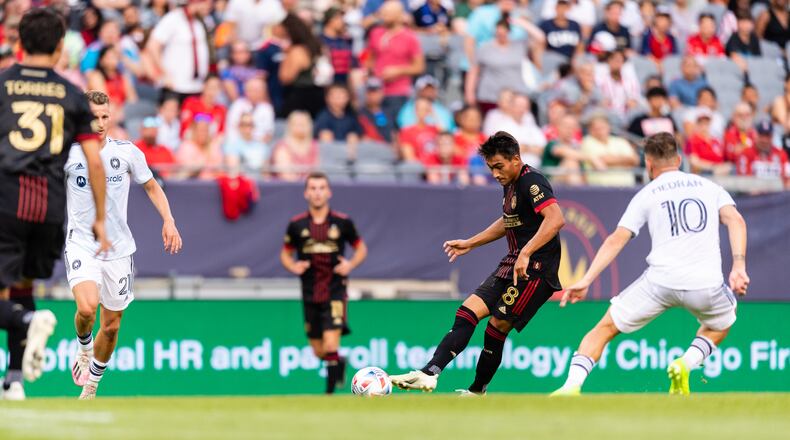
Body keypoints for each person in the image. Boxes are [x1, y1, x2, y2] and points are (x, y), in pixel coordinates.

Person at [552, 132, 748, 396]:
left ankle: (570, 386)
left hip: (660, 282)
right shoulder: (709, 187)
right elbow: (735, 220)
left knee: (603, 329)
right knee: (723, 322)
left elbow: (616, 239)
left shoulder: (647, 193)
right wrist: (738, 266)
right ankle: (685, 363)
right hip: (706, 283)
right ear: (679, 159)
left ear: (648, 163)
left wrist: (587, 279)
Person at [389, 131, 565, 394]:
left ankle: (476, 391)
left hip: (536, 270)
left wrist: (527, 252)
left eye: (499, 166)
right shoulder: (510, 183)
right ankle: (429, 373)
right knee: (466, 312)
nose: (494, 173)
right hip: (513, 263)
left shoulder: (533, 181)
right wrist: (471, 242)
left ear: (516, 159)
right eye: (491, 167)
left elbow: (556, 219)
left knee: (495, 328)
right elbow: (507, 222)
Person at [0, 7, 111, 400]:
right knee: (21, 285)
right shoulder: (70, 95)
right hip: (48, 208)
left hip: (7, 200)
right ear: (61, 46)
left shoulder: (3, 84)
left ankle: (27, 322)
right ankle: (14, 379)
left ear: (18, 43)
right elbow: (94, 159)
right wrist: (100, 218)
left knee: (11, 300)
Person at [65, 91, 182, 400]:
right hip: (81, 243)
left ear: (112, 116)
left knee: (112, 325)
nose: (100, 123)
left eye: (105, 116)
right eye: (94, 116)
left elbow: (152, 186)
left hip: (119, 249)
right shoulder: (69, 154)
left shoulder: (127, 152)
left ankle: (92, 386)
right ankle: (83, 349)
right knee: (87, 308)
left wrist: (168, 220)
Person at [280, 172, 367, 394]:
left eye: (321, 188)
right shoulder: (296, 225)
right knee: (319, 351)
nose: (317, 193)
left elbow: (361, 248)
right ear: (306, 193)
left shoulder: (342, 222)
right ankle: (339, 362)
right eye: (313, 188)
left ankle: (329, 395)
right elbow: (285, 254)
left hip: (335, 290)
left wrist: (349, 265)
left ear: (328, 192)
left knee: (330, 344)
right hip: (310, 293)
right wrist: (293, 266)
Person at [367, 0, 425, 127]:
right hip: (376, 91)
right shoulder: (376, 33)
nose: (383, 16)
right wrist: (369, 73)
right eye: (383, 13)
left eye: (387, 13)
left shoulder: (410, 37)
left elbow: (419, 67)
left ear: (399, 15)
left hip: (398, 92)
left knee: (396, 126)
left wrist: (398, 70)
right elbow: (369, 57)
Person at [146, 0, 212, 102]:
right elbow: (153, 46)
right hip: (176, 86)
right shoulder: (173, 18)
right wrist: (164, 73)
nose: (209, 7)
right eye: (207, 3)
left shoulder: (199, 22)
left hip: (196, 86)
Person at [279, 13, 326, 118]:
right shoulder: (315, 45)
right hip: (316, 94)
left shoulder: (297, 51)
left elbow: (286, 77)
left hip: (300, 96)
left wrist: (285, 57)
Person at [581, 114, 639, 187]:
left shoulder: (621, 141)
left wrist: (611, 159)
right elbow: (604, 159)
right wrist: (624, 160)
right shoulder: (587, 141)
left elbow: (635, 160)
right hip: (600, 189)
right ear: (590, 130)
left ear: (609, 127)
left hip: (627, 187)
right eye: (596, 128)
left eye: (602, 127)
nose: (600, 130)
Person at [736, 120, 789, 187]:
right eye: (761, 135)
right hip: (753, 195)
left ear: (772, 137)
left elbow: (787, 181)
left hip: (777, 194)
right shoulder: (745, 154)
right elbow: (744, 182)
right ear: (756, 135)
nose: (764, 140)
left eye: (767, 136)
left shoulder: (781, 154)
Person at [271, 111, 319, 181]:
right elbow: (285, 175)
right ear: (290, 126)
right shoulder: (282, 146)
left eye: (304, 124)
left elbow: (316, 171)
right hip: (285, 187)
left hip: (308, 186)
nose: (301, 127)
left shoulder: (313, 145)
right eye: (297, 124)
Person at [176, 114, 224, 180]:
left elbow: (219, 168)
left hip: (213, 184)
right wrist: (203, 163)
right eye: (200, 130)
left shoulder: (214, 146)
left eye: (206, 130)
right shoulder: (186, 146)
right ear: (194, 131)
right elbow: (188, 170)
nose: (203, 133)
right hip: (193, 185)